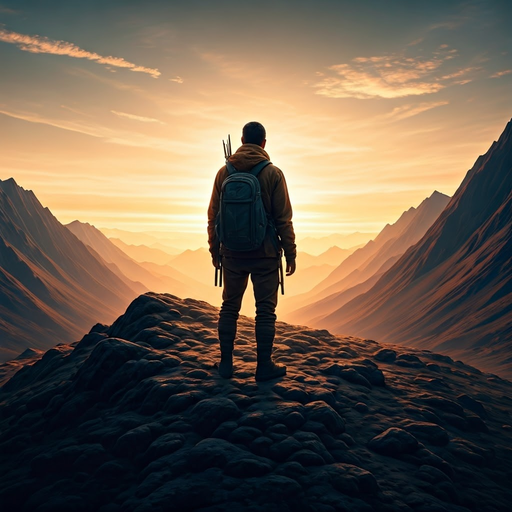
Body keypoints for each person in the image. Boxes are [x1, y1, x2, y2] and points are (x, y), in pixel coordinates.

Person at [207, 121, 296, 381]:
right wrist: (290, 252)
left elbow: (213, 216)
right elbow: (283, 219)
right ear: (264, 144)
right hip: (265, 254)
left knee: (229, 307)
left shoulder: (224, 173)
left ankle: (225, 365)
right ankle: (263, 366)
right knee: (265, 311)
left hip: (232, 253)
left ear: (243, 140)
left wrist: (215, 251)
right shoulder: (273, 173)